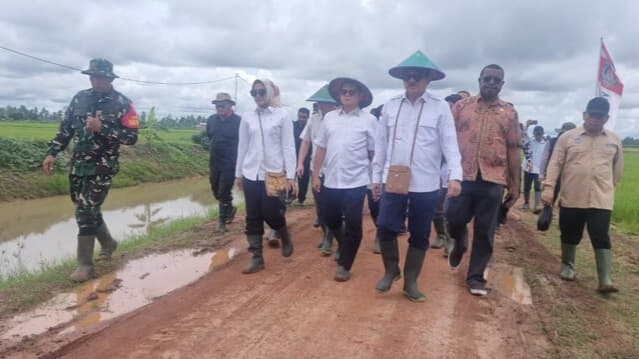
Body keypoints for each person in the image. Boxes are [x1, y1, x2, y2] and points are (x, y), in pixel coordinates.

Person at [372, 50, 462, 302]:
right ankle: (391, 270)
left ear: (428, 79)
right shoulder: (390, 106)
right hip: (394, 179)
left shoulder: (440, 108)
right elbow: (381, 145)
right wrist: (375, 178)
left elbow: (450, 145)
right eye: (407, 76)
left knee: (420, 233)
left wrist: (455, 176)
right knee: (385, 227)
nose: (412, 80)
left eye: (418, 76)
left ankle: (411, 280)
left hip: (426, 182)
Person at [42, 58, 139, 282]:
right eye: (93, 76)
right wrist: (52, 153)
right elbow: (65, 129)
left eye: (102, 77)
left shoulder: (123, 103)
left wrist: (101, 128)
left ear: (110, 78)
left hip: (103, 166)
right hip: (78, 164)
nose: (97, 80)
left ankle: (85, 265)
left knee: (85, 212)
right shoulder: (80, 98)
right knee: (84, 206)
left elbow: (132, 138)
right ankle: (108, 243)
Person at [447, 64, 521, 296]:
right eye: (487, 78)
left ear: (502, 84)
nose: (491, 83)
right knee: (453, 218)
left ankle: (476, 277)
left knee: (485, 230)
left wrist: (515, 184)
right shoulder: (462, 107)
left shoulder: (509, 113)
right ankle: (459, 241)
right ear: (479, 80)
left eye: (496, 80)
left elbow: (513, 149)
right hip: (463, 176)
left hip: (493, 179)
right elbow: (447, 140)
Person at [542, 97, 623, 293]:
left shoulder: (614, 140)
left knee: (601, 235)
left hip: (601, 198)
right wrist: (548, 187)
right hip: (572, 196)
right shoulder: (568, 137)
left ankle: (605, 279)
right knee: (570, 233)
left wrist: (607, 189)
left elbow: (617, 171)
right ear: (585, 115)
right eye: (592, 115)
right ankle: (568, 266)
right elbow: (555, 164)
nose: (595, 119)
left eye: (600, 116)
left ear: (606, 118)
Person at [312, 77, 376, 282]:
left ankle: (344, 265)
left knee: (354, 225)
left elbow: (374, 153)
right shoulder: (329, 118)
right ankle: (344, 245)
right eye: (344, 92)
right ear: (339, 95)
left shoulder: (369, 120)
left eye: (352, 92)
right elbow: (321, 148)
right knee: (330, 219)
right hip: (331, 180)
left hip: (356, 182)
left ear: (360, 96)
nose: (347, 95)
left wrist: (373, 182)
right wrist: (315, 175)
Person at [235, 79, 297, 274]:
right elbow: (243, 146)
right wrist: (238, 174)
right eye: (254, 93)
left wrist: (291, 176)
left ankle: (283, 232)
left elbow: (288, 146)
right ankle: (257, 257)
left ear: (270, 92)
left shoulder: (282, 115)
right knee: (252, 217)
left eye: (262, 92)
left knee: (272, 213)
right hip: (251, 173)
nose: (258, 96)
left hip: (275, 173)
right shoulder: (247, 117)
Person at [297, 84, 338, 256]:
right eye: (319, 103)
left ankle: (330, 238)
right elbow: (306, 141)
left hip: (335, 170)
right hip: (317, 169)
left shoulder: (340, 119)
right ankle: (325, 234)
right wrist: (300, 163)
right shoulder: (313, 119)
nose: (321, 106)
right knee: (320, 206)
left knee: (332, 207)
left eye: (324, 103)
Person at [206, 92, 241, 233]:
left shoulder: (238, 122)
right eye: (217, 106)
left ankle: (221, 221)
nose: (219, 108)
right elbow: (210, 136)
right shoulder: (211, 120)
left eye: (222, 106)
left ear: (230, 106)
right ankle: (230, 209)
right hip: (215, 161)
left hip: (231, 162)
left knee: (223, 191)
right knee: (215, 189)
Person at [538, 121, 576, 204]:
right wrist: (541, 174)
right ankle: (548, 211)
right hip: (556, 173)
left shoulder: (552, 141)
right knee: (552, 194)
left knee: (554, 195)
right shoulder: (552, 142)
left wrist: (541, 174)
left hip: (566, 175)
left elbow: (544, 158)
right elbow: (544, 158)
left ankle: (549, 211)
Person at [521, 125, 546, 213]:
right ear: (534, 134)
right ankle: (526, 203)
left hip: (538, 170)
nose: (538, 136)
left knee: (538, 187)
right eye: (536, 134)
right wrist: (527, 125)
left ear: (542, 134)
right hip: (528, 168)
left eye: (539, 134)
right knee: (527, 187)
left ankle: (537, 205)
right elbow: (523, 136)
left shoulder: (545, 144)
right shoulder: (530, 141)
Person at [293, 107, 311, 205]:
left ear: (308, 117)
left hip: (305, 158)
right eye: (300, 117)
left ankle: (301, 199)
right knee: (291, 177)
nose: (301, 119)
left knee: (303, 180)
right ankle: (289, 197)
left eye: (304, 117)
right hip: (292, 157)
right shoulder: (292, 126)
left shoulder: (309, 128)